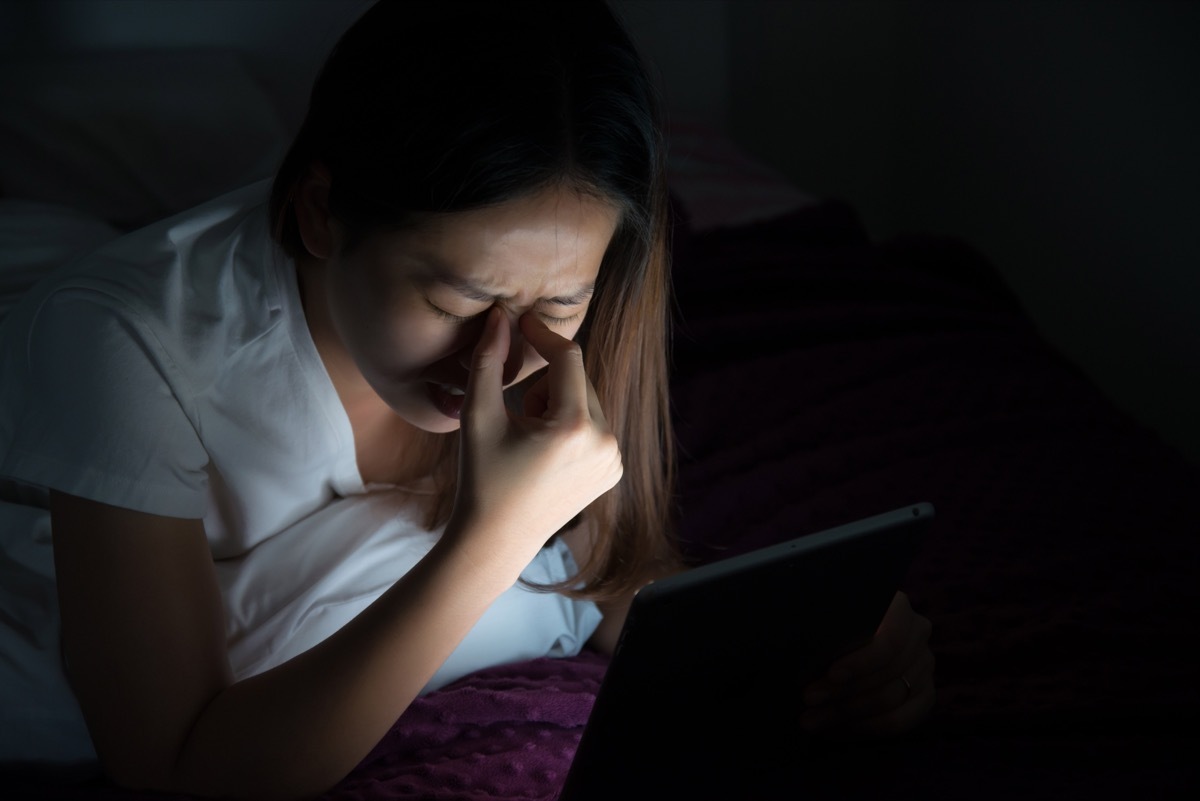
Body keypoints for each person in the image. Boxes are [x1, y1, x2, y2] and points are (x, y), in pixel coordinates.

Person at [0, 1, 934, 797]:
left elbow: (604, 589)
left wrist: (811, 645)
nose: (499, 353)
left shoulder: (550, 314)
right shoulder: (120, 343)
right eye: (453, 301)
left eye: (560, 302)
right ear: (321, 212)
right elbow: (173, 763)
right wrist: (489, 539)